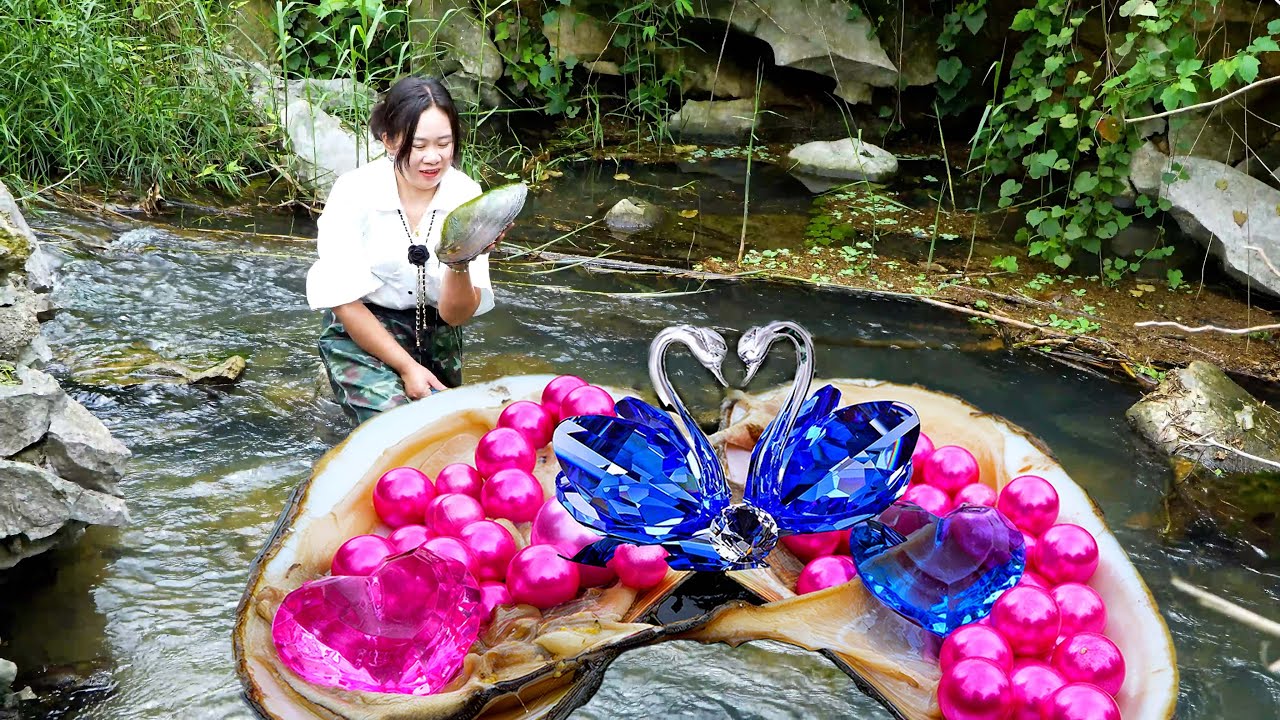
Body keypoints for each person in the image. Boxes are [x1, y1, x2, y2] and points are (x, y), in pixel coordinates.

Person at [305, 75, 501, 424]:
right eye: (419, 144)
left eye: (444, 143)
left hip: (437, 332)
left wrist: (461, 259)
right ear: (390, 140)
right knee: (396, 424)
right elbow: (344, 301)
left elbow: (456, 316)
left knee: (448, 428)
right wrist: (407, 368)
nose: (433, 158)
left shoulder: (466, 196)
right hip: (362, 328)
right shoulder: (354, 191)